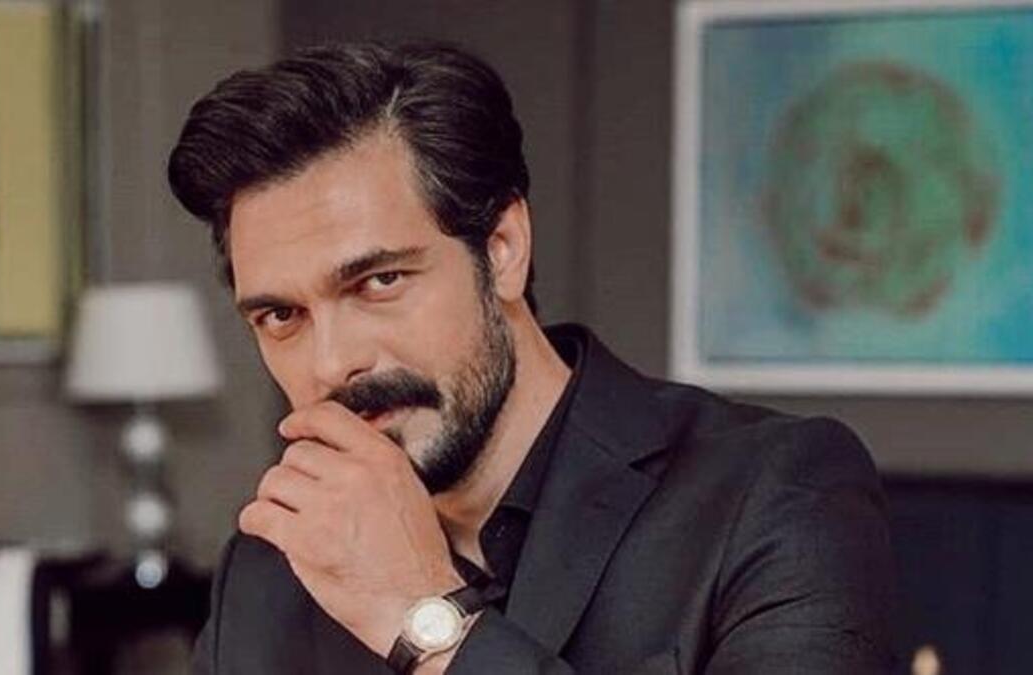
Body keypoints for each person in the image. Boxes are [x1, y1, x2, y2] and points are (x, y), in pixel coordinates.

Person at [167, 41, 894, 675]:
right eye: (281, 316)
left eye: (378, 281)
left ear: (503, 250)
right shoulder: (272, 566)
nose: (331, 364)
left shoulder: (773, 493)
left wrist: (422, 614)